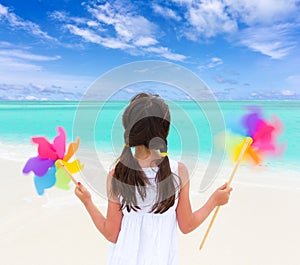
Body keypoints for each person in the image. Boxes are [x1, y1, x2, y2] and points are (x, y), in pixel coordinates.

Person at [75, 93, 232, 265]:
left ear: (128, 129)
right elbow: (187, 225)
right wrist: (214, 201)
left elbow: (111, 234)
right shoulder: (178, 172)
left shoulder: (117, 175)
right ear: (165, 130)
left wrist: (87, 201)